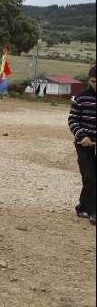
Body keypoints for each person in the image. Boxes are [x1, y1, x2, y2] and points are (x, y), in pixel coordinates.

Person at [68, 65, 96, 225]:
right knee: (89, 177)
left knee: (93, 179)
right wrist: (82, 136)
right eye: (93, 81)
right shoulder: (80, 98)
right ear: (89, 80)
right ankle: (93, 211)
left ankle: (83, 207)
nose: (96, 85)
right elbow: (72, 120)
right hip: (84, 145)